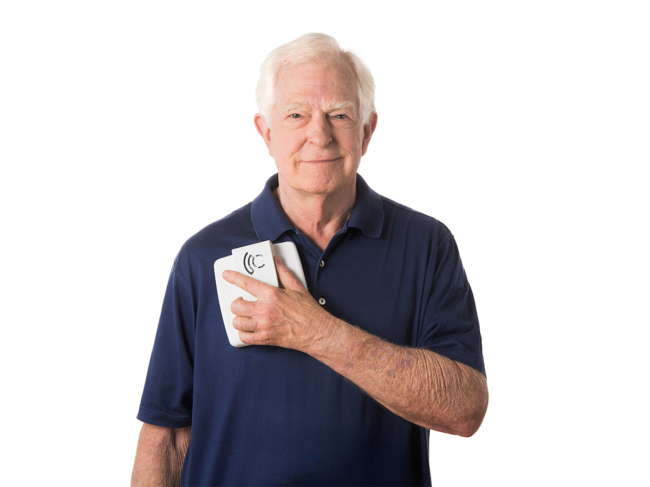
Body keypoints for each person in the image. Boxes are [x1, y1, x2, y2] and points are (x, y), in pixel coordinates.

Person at [132, 33, 488, 487]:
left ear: (367, 131)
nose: (318, 135)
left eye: (339, 115)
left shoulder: (426, 245)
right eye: (296, 115)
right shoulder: (203, 257)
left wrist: (317, 333)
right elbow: (166, 436)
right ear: (266, 132)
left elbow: (464, 410)